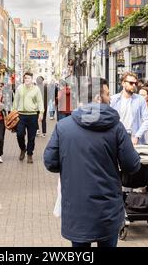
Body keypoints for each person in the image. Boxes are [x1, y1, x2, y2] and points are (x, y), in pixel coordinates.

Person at [44, 77, 141, 247]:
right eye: (107, 94)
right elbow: (132, 165)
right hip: (107, 209)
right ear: (98, 98)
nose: (110, 98)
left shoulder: (63, 127)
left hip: (76, 207)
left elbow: (50, 162)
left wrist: (71, 165)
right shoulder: (116, 128)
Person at [110, 72, 148, 145]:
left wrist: (137, 136)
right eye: (131, 83)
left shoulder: (140, 100)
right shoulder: (114, 99)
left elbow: (147, 120)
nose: (134, 85)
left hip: (134, 139)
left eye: (135, 83)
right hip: (117, 137)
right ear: (123, 83)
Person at [13, 72, 44, 163]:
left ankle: (29, 154)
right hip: (21, 115)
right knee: (19, 134)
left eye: (29, 78)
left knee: (31, 137)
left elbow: (40, 101)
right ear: (24, 79)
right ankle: (23, 149)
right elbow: (15, 101)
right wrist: (13, 112)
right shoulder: (19, 88)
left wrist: (41, 113)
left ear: (32, 79)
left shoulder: (36, 89)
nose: (27, 79)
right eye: (25, 78)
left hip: (33, 115)